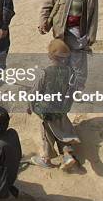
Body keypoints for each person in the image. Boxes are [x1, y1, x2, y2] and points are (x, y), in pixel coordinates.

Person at [38, 0, 98, 91]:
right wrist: (43, 22)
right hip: (61, 34)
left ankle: (77, 90)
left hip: (78, 34)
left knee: (78, 64)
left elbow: (94, 17)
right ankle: (57, 88)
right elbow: (47, 6)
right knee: (59, 61)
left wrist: (91, 36)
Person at [28, 39, 80, 171]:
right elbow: (72, 91)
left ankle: (46, 159)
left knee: (47, 132)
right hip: (61, 108)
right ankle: (67, 154)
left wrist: (29, 105)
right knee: (61, 130)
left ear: (50, 56)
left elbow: (35, 91)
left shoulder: (45, 73)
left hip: (46, 110)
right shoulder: (70, 73)